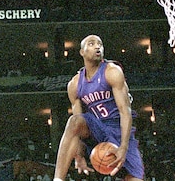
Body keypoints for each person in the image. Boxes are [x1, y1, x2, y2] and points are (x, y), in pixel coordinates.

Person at [53, 35, 144, 181]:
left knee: (136, 178)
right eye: (91, 44)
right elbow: (77, 127)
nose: (97, 47)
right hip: (97, 127)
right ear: (82, 52)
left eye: (100, 44)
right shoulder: (75, 84)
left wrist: (123, 147)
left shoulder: (112, 71)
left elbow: (125, 112)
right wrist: (79, 155)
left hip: (118, 128)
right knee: (74, 121)